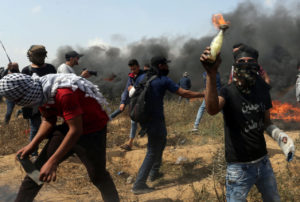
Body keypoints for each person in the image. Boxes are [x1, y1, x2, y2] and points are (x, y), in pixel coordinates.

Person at [0, 73, 119, 202]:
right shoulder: (41, 93)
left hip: (92, 130)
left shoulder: (64, 94)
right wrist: (32, 145)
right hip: (70, 126)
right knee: (35, 174)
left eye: (16, 101)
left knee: (98, 176)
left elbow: (76, 131)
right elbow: (48, 120)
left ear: (23, 95)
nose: (17, 104)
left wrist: (52, 162)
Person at [200, 45, 295, 201]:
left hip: (263, 162)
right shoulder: (228, 91)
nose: (246, 64)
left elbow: (266, 122)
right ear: (235, 65)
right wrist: (211, 74)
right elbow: (212, 109)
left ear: (257, 65)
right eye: (241, 61)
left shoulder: (263, 89)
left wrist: (280, 137)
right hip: (239, 167)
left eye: (250, 61)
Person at [132, 56, 205, 194]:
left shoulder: (143, 78)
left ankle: (154, 173)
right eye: (165, 64)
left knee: (162, 141)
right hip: (155, 121)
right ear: (160, 66)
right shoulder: (162, 80)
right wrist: (203, 94)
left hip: (147, 120)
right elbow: (184, 93)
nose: (167, 67)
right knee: (152, 150)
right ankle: (139, 184)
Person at [21, 45, 57, 158]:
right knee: (35, 129)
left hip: (49, 103)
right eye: (37, 55)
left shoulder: (50, 68)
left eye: (41, 55)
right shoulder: (26, 70)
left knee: (51, 128)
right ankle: (34, 153)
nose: (40, 57)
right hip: (34, 105)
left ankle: (52, 151)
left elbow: (56, 84)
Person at [110, 59, 145, 151]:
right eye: (131, 69)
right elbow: (126, 89)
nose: (133, 71)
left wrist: (133, 89)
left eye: (134, 69)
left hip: (142, 102)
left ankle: (144, 136)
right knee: (133, 120)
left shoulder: (144, 76)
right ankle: (130, 144)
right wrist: (122, 102)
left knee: (142, 120)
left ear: (138, 67)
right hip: (134, 102)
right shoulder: (131, 76)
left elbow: (143, 89)